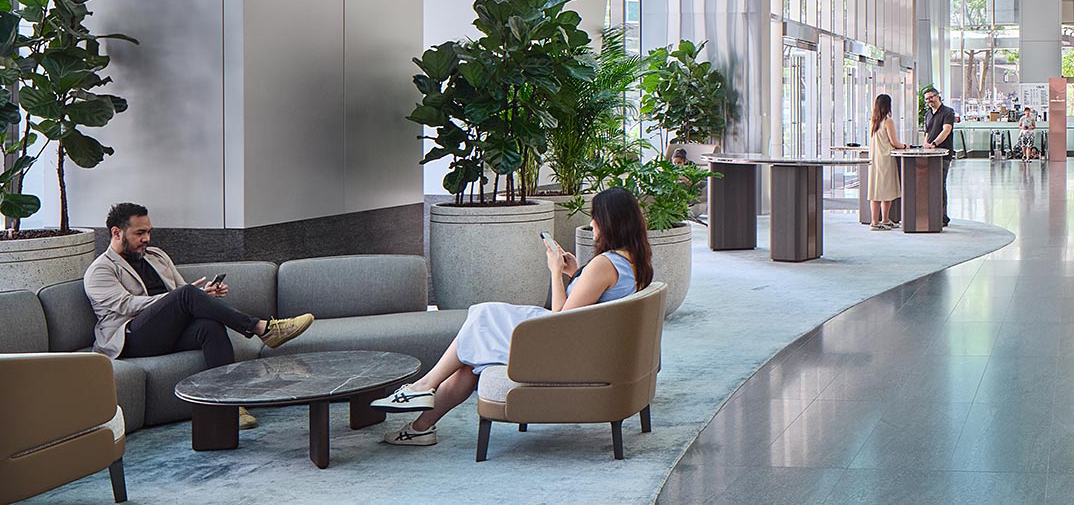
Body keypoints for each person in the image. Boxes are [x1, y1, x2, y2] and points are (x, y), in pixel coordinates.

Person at [373, 186, 655, 445]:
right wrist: (577, 274)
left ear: (610, 222)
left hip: (564, 346)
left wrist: (555, 271)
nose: (592, 224)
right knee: (471, 357)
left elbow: (561, 320)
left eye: (595, 218)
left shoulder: (604, 265)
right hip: (584, 343)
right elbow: (593, 305)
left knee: (483, 316)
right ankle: (421, 427)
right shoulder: (635, 262)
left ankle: (423, 386)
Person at [85, 203, 315, 431]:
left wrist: (204, 295)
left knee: (209, 326)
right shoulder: (101, 270)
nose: (147, 238)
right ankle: (262, 328)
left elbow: (180, 292)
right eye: (140, 233)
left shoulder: (156, 256)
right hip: (131, 339)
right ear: (117, 232)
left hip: (165, 331)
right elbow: (127, 305)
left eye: (148, 232)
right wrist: (180, 297)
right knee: (186, 295)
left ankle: (229, 404)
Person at [867, 93, 903, 230]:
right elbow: (894, 142)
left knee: (875, 190)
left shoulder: (873, 121)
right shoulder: (888, 121)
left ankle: (874, 221)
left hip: (874, 159)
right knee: (887, 190)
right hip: (886, 159)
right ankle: (885, 219)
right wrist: (905, 146)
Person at [922, 86, 958, 225]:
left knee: (939, 184)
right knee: (929, 184)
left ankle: (942, 217)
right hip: (929, 154)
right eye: (927, 99)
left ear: (937, 96)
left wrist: (935, 144)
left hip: (943, 154)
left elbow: (946, 130)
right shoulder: (928, 114)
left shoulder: (948, 112)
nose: (929, 101)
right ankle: (930, 213)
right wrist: (926, 144)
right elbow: (927, 133)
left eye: (931, 97)